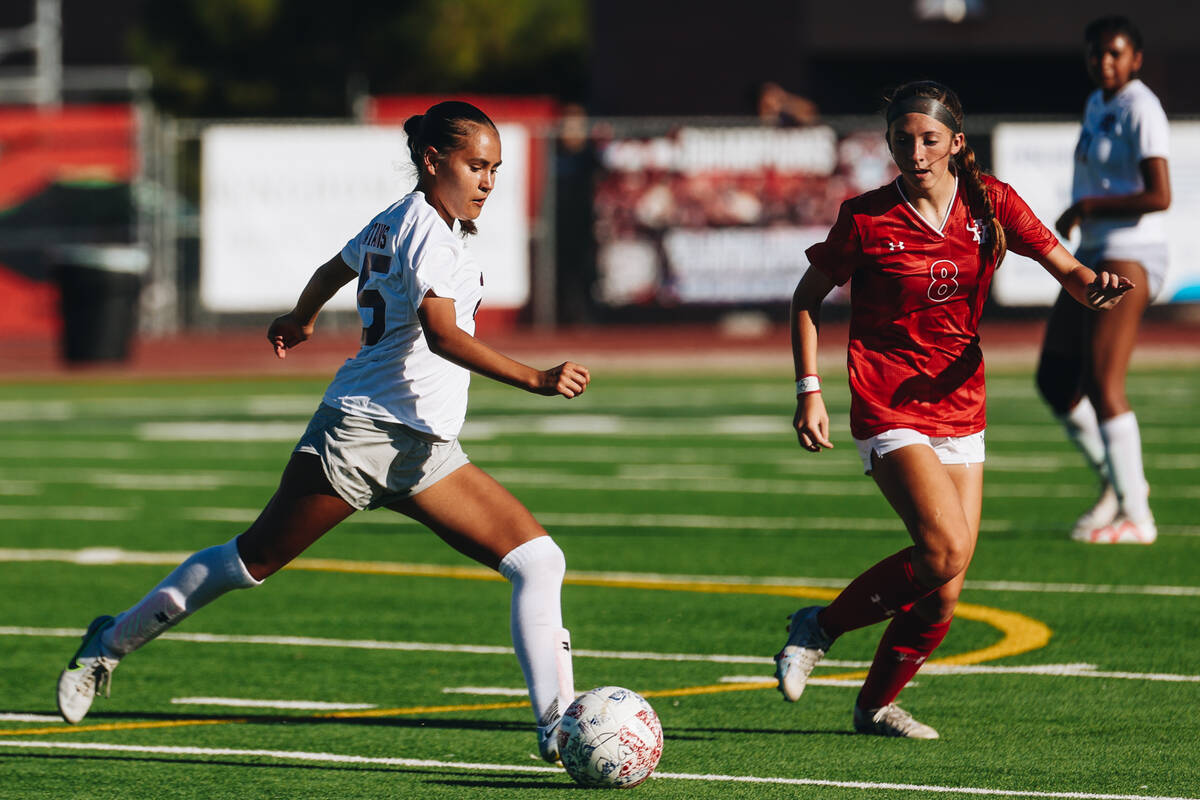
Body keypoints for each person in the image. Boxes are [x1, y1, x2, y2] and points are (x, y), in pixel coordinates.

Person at [56, 101, 590, 762]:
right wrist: (536, 379)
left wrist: (302, 315)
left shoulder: (406, 219)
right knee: (249, 561)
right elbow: (443, 334)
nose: (488, 180)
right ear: (432, 161)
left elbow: (336, 266)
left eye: (495, 169)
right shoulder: (424, 225)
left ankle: (556, 727)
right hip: (361, 438)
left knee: (538, 559)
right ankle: (108, 643)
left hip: (423, 451)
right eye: (475, 165)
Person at [774, 80, 1132, 738]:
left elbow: (1067, 270)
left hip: (960, 402)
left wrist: (1098, 289)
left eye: (929, 139)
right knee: (943, 549)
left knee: (945, 587)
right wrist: (809, 389)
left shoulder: (990, 203)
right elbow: (806, 297)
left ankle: (874, 706)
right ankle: (817, 628)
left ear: (956, 142)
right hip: (886, 397)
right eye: (901, 140)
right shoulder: (866, 217)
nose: (914, 152)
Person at [1035, 15, 1170, 545]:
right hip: (1094, 253)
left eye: (1115, 54)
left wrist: (1086, 205)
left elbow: (1159, 195)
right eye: (1097, 54)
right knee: (1054, 380)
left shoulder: (1142, 106)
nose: (1105, 62)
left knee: (1102, 384)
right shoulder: (1098, 104)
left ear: (1136, 59)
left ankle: (1139, 516)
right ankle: (1116, 483)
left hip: (1131, 254)